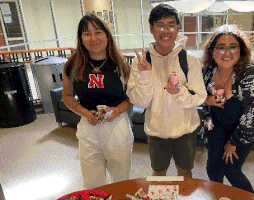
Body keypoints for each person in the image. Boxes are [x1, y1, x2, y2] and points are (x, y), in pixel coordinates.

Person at [127, 4, 207, 178]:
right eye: (160, 25)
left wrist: (178, 92)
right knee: (158, 172)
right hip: (157, 132)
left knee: (185, 172)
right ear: (151, 28)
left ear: (178, 29)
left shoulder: (189, 60)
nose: (166, 30)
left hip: (186, 131)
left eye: (171, 25)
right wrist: (146, 75)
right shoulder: (140, 62)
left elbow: (200, 97)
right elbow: (140, 102)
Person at [62, 14, 133, 189]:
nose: (93, 38)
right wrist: (85, 113)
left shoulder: (121, 65)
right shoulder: (72, 65)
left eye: (98, 32)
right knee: (92, 184)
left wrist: (117, 109)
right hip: (88, 128)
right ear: (81, 39)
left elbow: (132, 97)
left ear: (107, 36)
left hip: (117, 126)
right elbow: (67, 96)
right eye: (87, 33)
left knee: (121, 180)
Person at [201, 24, 254, 194]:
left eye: (233, 47)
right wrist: (206, 100)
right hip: (216, 129)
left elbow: (253, 117)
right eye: (221, 47)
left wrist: (234, 142)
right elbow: (199, 98)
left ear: (241, 50)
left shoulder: (250, 77)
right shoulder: (208, 72)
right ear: (212, 51)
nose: (227, 52)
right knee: (212, 168)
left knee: (230, 169)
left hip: (241, 132)